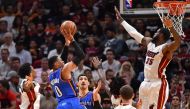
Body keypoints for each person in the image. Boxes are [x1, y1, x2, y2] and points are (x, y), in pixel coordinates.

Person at [115, 7, 181, 109]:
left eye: (157, 32)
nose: (154, 33)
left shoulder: (165, 48)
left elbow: (177, 42)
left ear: (162, 35)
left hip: (158, 83)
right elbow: (134, 33)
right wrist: (122, 21)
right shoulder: (150, 43)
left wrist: (171, 27)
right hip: (145, 83)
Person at [48, 24, 86, 109]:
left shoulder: (50, 75)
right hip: (73, 103)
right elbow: (81, 55)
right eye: (59, 60)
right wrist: (72, 40)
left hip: (61, 105)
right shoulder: (65, 69)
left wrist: (66, 44)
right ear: (56, 64)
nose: (62, 61)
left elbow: (62, 60)